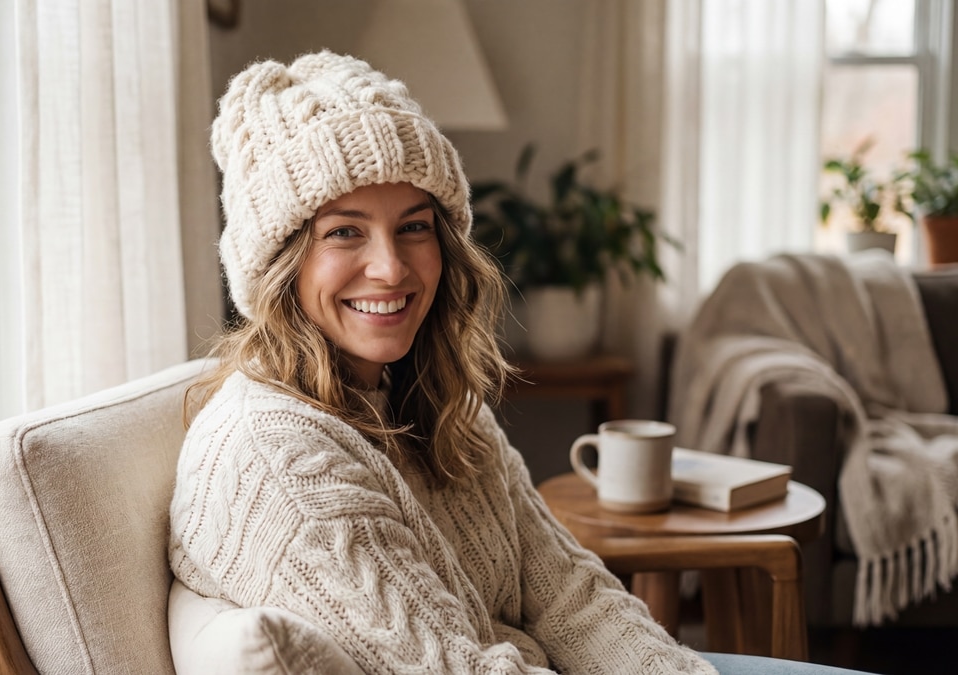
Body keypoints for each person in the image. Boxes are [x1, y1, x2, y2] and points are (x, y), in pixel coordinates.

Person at [168, 50, 864, 675]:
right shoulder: (280, 461)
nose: (391, 267)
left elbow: (570, 593)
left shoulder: (430, 406)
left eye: (414, 226)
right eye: (344, 232)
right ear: (279, 266)